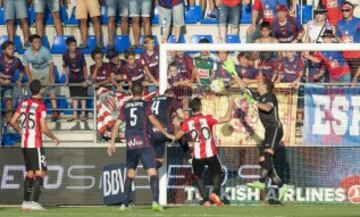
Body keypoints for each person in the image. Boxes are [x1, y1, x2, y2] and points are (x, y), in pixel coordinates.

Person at [225, 63, 289, 201]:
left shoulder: (271, 96)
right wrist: (234, 73)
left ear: (266, 88)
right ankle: (281, 185)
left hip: (275, 129)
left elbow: (267, 108)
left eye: (260, 85)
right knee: (262, 160)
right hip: (268, 131)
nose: (258, 86)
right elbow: (244, 87)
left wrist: (254, 103)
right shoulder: (258, 97)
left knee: (267, 156)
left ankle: (261, 182)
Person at [107, 82, 174, 211]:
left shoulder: (126, 106)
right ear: (143, 92)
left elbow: (116, 125)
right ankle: (155, 202)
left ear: (131, 92)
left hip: (130, 143)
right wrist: (166, 133)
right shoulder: (145, 104)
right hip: (143, 141)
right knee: (152, 171)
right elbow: (153, 120)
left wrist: (112, 142)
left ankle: (124, 204)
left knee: (131, 172)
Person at [10, 79, 60, 210]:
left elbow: (12, 121)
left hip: (25, 144)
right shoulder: (41, 105)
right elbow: (43, 128)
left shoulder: (23, 103)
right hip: (35, 143)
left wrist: (20, 131)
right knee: (40, 173)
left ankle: (26, 202)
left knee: (30, 173)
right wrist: (54, 138)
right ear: (41, 90)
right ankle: (35, 203)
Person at [175, 97, 235, 207]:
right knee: (218, 173)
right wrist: (230, 104)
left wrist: (175, 131)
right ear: (201, 107)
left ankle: (206, 201)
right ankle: (214, 193)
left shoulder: (188, 122)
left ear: (191, 109)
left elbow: (178, 136)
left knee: (198, 176)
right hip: (210, 152)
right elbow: (227, 118)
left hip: (197, 154)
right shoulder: (207, 119)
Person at [23, 34, 59, 122]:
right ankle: (38, 111)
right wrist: (30, 79)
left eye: (39, 42)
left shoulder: (45, 51)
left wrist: (51, 77)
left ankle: (55, 111)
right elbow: (26, 67)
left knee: (51, 90)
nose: (38, 44)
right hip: (35, 72)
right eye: (35, 42)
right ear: (31, 43)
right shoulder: (27, 53)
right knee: (37, 93)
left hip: (46, 71)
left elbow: (51, 64)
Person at [149, 89, 184, 168]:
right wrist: (175, 116)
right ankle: (189, 155)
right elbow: (182, 116)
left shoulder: (152, 100)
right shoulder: (171, 100)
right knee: (179, 126)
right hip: (166, 130)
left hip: (151, 132)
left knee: (159, 161)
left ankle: (152, 173)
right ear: (172, 95)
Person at [0, 41, 27, 128]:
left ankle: (8, 123)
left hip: (8, 86)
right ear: (4, 51)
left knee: (9, 102)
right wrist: (2, 81)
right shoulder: (0, 60)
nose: (12, 51)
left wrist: (19, 80)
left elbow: (22, 70)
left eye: (13, 49)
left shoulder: (17, 61)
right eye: (9, 49)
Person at [62, 37, 88, 122]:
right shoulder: (65, 55)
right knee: (74, 97)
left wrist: (86, 78)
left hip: (81, 75)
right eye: (72, 45)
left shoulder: (80, 53)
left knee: (83, 96)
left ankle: (83, 114)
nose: (74, 47)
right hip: (72, 76)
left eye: (75, 45)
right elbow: (65, 67)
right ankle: (75, 115)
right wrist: (66, 79)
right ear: (68, 46)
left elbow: (84, 66)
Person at [335, 1, 360, 82]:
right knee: (346, 80)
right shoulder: (339, 23)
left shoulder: (358, 21)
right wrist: (340, 41)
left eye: (347, 10)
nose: (344, 12)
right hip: (344, 57)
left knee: (356, 80)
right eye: (342, 10)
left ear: (351, 10)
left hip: (356, 56)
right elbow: (337, 36)